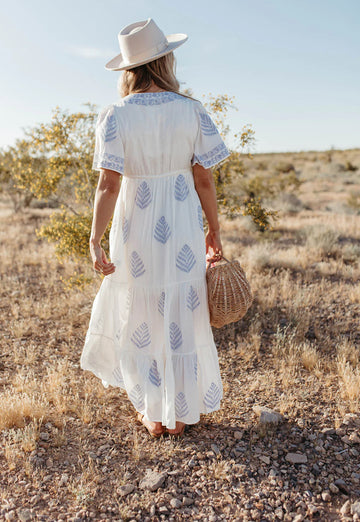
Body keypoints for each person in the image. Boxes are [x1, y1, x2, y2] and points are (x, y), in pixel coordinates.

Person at [80, 18, 230, 437]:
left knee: (142, 308)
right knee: (182, 307)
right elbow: (204, 179)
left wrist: (94, 238)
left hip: (136, 225)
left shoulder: (114, 116)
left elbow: (108, 185)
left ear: (130, 70)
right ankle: (179, 411)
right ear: (165, 61)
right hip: (181, 220)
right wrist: (214, 230)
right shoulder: (192, 110)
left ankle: (153, 410)